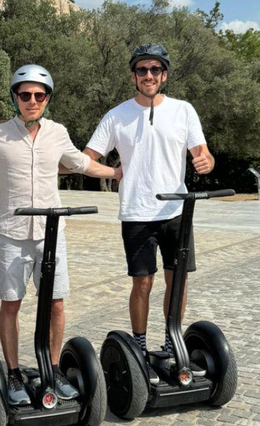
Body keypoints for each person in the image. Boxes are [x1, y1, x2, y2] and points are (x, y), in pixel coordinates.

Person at [0, 65, 122, 405]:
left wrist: (116, 172)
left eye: (39, 95)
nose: (32, 101)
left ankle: (53, 368)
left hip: (51, 234)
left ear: (47, 99)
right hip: (12, 234)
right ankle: (14, 373)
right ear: (15, 98)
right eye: (25, 95)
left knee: (56, 303)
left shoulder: (57, 133)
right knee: (11, 303)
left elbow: (81, 163)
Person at [83, 43, 215, 358]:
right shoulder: (117, 116)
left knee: (178, 281)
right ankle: (139, 346)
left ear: (164, 75)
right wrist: (113, 172)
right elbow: (86, 158)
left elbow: (203, 153)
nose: (148, 75)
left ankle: (171, 342)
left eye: (155, 69)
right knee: (142, 284)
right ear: (133, 76)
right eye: (142, 69)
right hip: (136, 212)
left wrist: (207, 162)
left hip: (176, 210)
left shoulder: (183, 110)